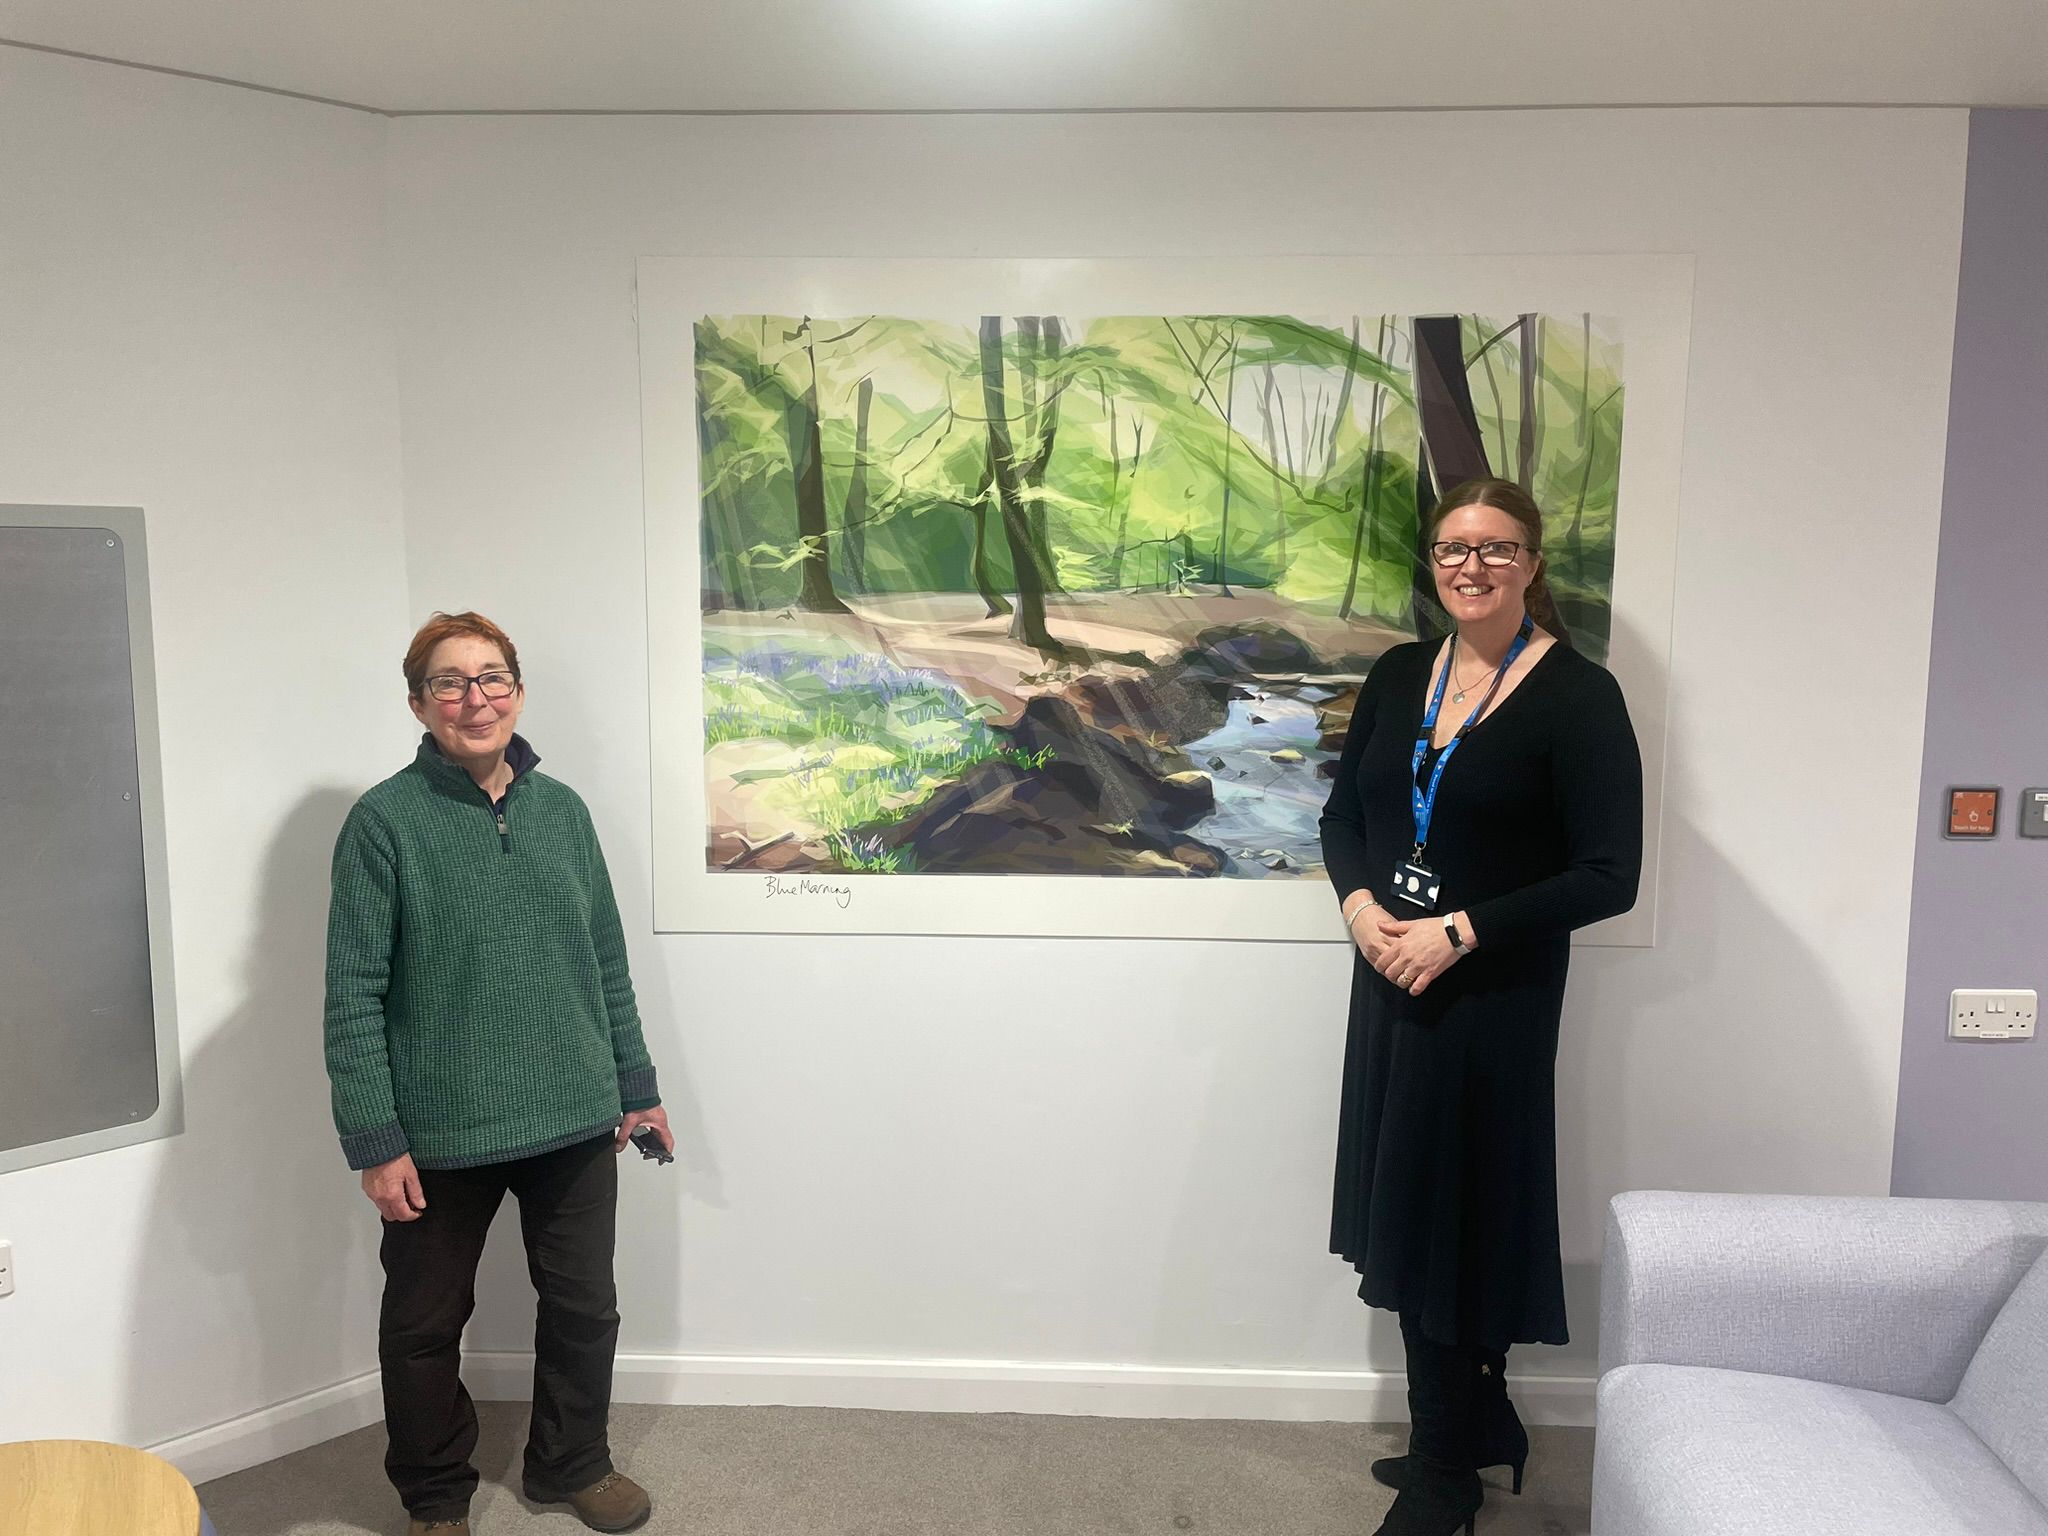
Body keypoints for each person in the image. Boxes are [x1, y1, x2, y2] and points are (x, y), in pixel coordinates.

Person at [1318, 480, 1642, 1536]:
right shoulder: (1398, 674)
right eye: (1453, 548)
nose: (1470, 566)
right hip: (1389, 983)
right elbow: (1340, 818)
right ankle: (1466, 1427)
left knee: (1455, 1217)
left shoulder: (1577, 695)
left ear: (1530, 565)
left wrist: (1457, 931)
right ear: (1433, 561)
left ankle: (1441, 1473)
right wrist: (1363, 907)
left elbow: (1607, 874)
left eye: (1495, 549)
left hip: (1490, 998)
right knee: (1408, 1211)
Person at [323, 611, 673, 1536]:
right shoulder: (382, 824)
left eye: (491, 677)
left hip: (574, 1113)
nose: (474, 698)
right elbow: (352, 994)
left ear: (517, 691)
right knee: (423, 1329)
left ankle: (571, 1464)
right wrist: (375, 1139)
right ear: (418, 702)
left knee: (584, 1308)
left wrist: (636, 1087)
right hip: (440, 1131)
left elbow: (604, 958)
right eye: (449, 681)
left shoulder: (564, 812)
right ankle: (437, 1496)